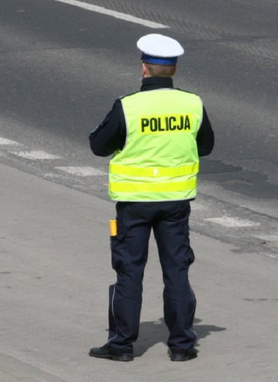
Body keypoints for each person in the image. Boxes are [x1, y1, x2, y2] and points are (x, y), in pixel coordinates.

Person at [88, 34, 215, 362]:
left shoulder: (128, 105)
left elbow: (98, 145)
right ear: (173, 71)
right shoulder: (192, 104)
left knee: (129, 270)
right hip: (176, 202)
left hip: (134, 203)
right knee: (177, 271)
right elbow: (205, 145)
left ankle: (121, 346)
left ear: (144, 68)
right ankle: (182, 347)